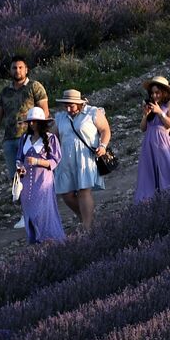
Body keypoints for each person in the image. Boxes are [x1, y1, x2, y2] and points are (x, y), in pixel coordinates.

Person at [0, 55, 49, 228]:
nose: (17, 71)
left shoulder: (35, 87)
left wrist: (43, 136)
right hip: (10, 140)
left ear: (26, 69)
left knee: (33, 176)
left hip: (29, 138)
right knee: (16, 179)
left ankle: (40, 210)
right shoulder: (5, 92)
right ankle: (26, 214)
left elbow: (44, 112)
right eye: (14, 68)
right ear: (10, 70)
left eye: (20, 67)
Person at [53, 89, 110, 232]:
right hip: (65, 159)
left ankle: (87, 226)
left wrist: (103, 146)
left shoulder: (92, 113)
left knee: (84, 190)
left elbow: (105, 130)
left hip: (85, 157)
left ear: (79, 104)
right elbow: (53, 137)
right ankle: (85, 216)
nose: (68, 109)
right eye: (66, 105)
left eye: (71, 106)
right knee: (66, 193)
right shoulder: (60, 117)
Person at [15, 107, 64, 244]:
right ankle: (36, 239)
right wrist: (20, 168)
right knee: (29, 211)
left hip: (43, 180)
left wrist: (38, 161)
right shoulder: (25, 138)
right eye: (30, 121)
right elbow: (19, 158)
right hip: (26, 181)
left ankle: (49, 238)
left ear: (41, 122)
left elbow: (55, 160)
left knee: (42, 210)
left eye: (34, 121)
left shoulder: (51, 138)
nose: (31, 124)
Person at [134, 75, 170, 203]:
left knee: (166, 170)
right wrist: (145, 116)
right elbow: (143, 128)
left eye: (157, 92)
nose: (155, 95)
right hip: (149, 143)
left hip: (163, 143)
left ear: (164, 92)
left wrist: (160, 112)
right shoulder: (149, 105)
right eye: (152, 93)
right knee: (149, 174)